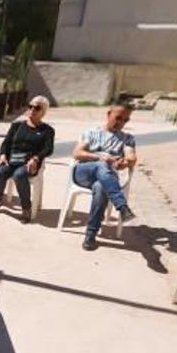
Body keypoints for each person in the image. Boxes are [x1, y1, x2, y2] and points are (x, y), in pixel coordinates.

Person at [71, 104, 138, 251]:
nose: (121, 123)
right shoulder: (92, 132)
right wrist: (100, 157)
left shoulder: (127, 139)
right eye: (118, 118)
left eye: (125, 120)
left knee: (101, 187)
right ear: (109, 114)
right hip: (84, 172)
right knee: (101, 165)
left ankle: (90, 235)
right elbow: (77, 153)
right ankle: (121, 206)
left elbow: (132, 158)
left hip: (106, 179)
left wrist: (124, 162)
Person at [0, 96, 55, 222]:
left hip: (29, 164)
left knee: (19, 175)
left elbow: (48, 149)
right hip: (11, 160)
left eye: (36, 108)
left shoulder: (47, 131)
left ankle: (26, 208)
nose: (32, 110)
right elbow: (6, 143)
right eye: (30, 106)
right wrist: (3, 154)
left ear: (43, 112)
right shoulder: (17, 126)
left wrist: (36, 158)